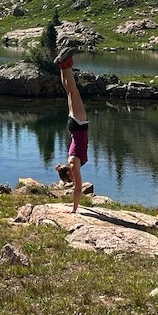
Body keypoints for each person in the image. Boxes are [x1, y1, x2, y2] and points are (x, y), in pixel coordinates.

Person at [53, 45, 89, 213]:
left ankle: (65, 64)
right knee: (69, 93)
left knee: (74, 92)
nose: (73, 181)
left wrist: (74, 209)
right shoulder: (70, 161)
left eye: (69, 180)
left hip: (79, 125)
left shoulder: (73, 165)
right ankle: (63, 66)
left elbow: (78, 189)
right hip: (73, 126)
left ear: (68, 174)